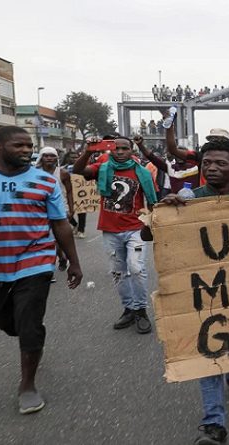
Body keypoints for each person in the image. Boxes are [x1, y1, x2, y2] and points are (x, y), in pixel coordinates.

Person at [157, 136, 229, 445]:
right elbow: (150, 232)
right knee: (209, 348)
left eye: (220, 163)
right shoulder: (189, 198)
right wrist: (165, 209)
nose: (212, 168)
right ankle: (214, 424)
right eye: (207, 163)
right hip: (203, 289)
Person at [0, 126, 82, 413]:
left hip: (36, 260)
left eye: (29, 146)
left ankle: (27, 385)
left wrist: (73, 262)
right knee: (6, 321)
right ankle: (30, 337)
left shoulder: (44, 182)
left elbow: (60, 223)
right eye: (18, 145)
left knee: (29, 322)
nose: (26, 150)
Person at [72, 134, 157, 334]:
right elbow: (77, 171)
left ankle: (141, 311)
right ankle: (128, 309)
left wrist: (150, 226)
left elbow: (152, 202)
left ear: (131, 151)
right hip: (110, 231)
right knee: (118, 272)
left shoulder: (142, 173)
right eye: (116, 149)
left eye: (124, 149)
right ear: (111, 150)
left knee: (136, 268)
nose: (119, 152)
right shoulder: (102, 168)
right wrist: (88, 151)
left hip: (135, 229)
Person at [36, 147, 75, 272]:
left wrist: (71, 208)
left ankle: (62, 257)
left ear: (56, 158)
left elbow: (69, 192)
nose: (49, 158)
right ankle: (57, 259)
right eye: (46, 155)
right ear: (41, 158)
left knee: (59, 238)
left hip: (60, 209)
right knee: (47, 238)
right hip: (40, 210)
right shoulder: (34, 173)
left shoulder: (63, 173)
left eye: (52, 156)